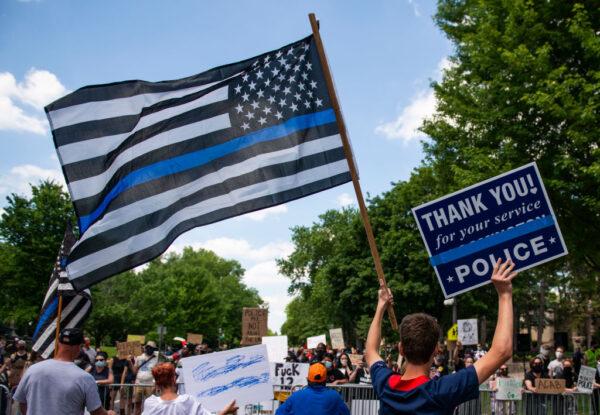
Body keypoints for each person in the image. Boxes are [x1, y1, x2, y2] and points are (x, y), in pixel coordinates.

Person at [365, 258, 517, 414]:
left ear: (401, 349)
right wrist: (504, 294)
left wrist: (380, 306)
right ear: (436, 350)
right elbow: (501, 351)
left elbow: (370, 350)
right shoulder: (442, 391)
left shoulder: (386, 385)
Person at [12, 327, 115, 415]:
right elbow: (96, 412)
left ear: (58, 343)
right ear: (79, 347)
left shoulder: (32, 370)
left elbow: (22, 403)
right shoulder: (85, 378)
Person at [142, 362, 237, 415]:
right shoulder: (186, 401)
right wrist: (226, 411)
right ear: (174, 379)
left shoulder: (150, 403)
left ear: (156, 383)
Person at [275, 362, 350, 415]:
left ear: (308, 379)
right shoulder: (335, 396)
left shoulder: (296, 396)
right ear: (325, 379)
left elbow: (279, 413)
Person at [133, 341, 159, 415]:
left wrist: (155, 384)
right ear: (145, 348)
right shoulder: (139, 357)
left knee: (150, 405)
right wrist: (129, 362)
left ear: (154, 349)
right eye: (148, 347)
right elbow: (134, 371)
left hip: (150, 384)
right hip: (139, 383)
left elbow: (158, 372)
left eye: (151, 348)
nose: (149, 349)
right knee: (137, 404)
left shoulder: (157, 358)